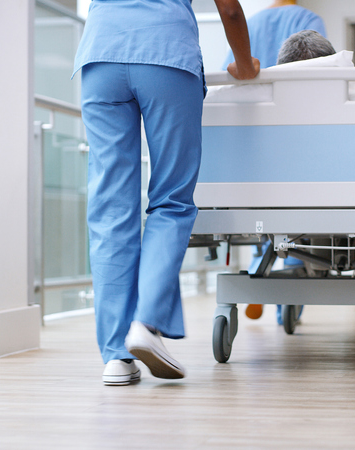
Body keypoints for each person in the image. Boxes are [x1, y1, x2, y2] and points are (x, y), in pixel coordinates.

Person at [73, 0, 259, 386]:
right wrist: (245, 64)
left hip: (100, 57)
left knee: (110, 208)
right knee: (171, 202)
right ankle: (146, 324)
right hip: (166, 56)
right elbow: (230, 10)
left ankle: (116, 356)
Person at [220, 0, 327, 322]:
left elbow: (230, 74)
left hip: (256, 132)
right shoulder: (308, 18)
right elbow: (319, 67)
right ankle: (289, 299)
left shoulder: (249, 21)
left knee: (261, 207)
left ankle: (258, 266)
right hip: (296, 128)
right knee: (299, 211)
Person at [221, 0, 326, 70]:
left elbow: (229, 70)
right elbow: (318, 69)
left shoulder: (249, 24)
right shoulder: (309, 19)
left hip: (254, 101)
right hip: (293, 98)